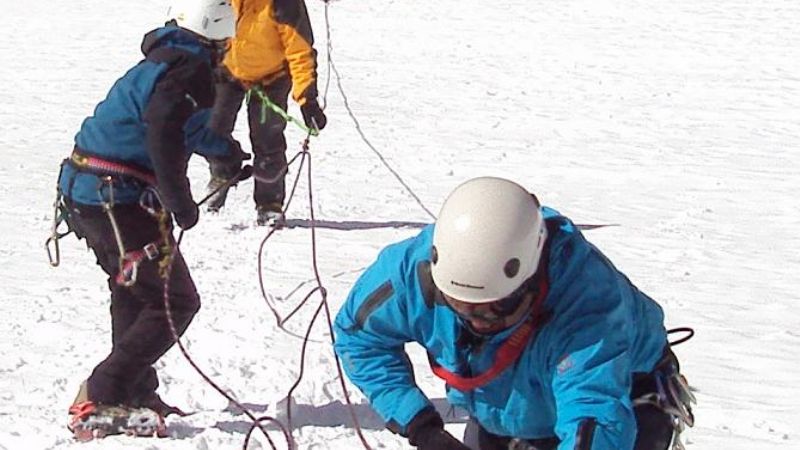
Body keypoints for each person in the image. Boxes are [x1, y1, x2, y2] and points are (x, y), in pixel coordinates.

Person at [333, 177, 695, 450]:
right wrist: (421, 425)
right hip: (503, 404)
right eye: (461, 306)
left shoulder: (587, 304)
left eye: (496, 309)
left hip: (623, 399)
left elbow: (594, 416)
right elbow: (359, 338)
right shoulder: (412, 275)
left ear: (530, 280)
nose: (478, 321)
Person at [55, 0, 245, 439]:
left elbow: (183, 126)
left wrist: (226, 154)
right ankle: (102, 394)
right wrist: (181, 203)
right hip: (112, 199)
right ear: (218, 35)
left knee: (138, 293)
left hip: (93, 194)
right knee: (174, 301)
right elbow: (162, 131)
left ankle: (134, 389)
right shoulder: (188, 69)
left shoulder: (170, 57)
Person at [204, 0, 327, 227]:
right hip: (227, 70)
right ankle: (222, 173)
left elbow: (300, 51)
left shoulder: (284, 4)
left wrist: (307, 99)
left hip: (272, 77)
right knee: (213, 130)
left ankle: (269, 204)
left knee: (267, 139)